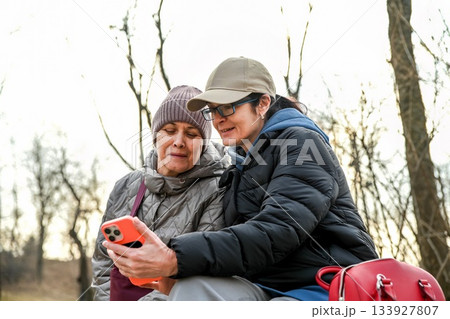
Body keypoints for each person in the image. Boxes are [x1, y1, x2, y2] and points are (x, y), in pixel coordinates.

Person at [103, 57, 379, 301]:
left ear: (262, 103)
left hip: (322, 283)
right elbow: (237, 246)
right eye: (213, 110)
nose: (218, 119)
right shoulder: (238, 165)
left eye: (228, 107)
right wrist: (174, 279)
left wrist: (175, 258)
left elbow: (278, 231)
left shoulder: (303, 144)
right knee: (191, 290)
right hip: (265, 285)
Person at [91, 85, 230, 301]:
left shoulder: (218, 189)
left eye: (192, 134)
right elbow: (103, 260)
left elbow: (199, 275)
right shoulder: (126, 186)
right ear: (156, 135)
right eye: (170, 130)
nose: (179, 141)